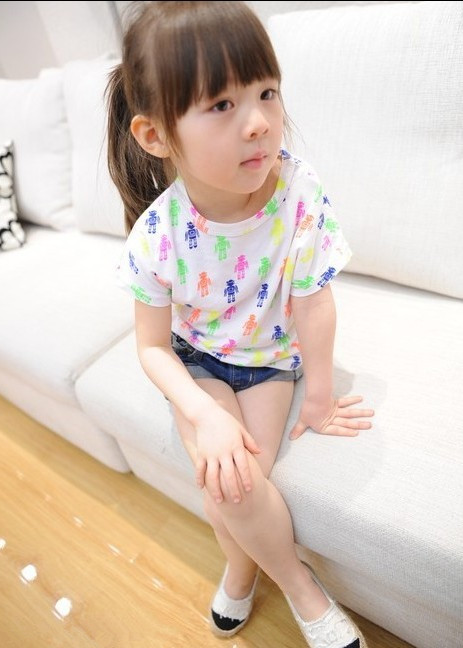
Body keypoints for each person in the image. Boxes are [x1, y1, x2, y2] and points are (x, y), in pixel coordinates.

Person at [107, 2, 374, 646]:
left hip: (269, 360)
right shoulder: (157, 234)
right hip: (197, 360)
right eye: (222, 105)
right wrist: (204, 414)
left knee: (233, 483)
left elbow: (313, 301)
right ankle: (301, 588)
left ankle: (240, 566)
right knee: (224, 470)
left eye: (266, 93)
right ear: (155, 135)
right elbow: (152, 349)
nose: (258, 123)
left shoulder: (298, 192)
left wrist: (318, 396)